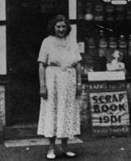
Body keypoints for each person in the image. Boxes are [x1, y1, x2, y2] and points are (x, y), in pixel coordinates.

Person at [37, 14, 82, 160]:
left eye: (63, 26)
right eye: (58, 27)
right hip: (53, 80)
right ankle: (51, 147)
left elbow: (78, 65)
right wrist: (43, 86)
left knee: (66, 111)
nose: (61, 29)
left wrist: (79, 84)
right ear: (53, 27)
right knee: (52, 110)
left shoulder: (72, 42)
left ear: (67, 27)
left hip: (69, 80)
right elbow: (41, 65)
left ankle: (64, 147)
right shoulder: (47, 42)